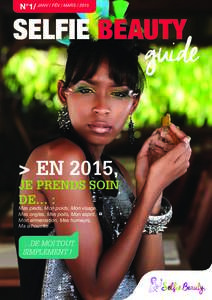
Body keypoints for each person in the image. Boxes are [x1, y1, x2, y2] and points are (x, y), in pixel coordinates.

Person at [13, 38, 191, 300]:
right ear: (64, 93)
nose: (102, 108)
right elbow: (95, 292)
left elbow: (149, 285)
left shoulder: (115, 171)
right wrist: (152, 187)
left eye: (118, 93)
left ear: (133, 104)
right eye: (86, 90)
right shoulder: (60, 158)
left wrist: (151, 192)